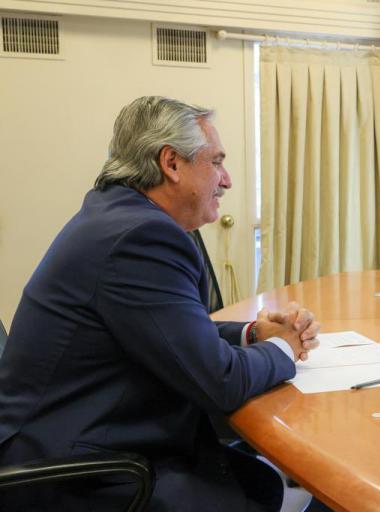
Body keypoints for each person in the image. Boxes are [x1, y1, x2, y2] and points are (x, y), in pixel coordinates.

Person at [0, 97, 321, 511]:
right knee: (303, 491)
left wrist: (255, 334)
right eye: (216, 162)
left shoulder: (117, 215)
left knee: (277, 481)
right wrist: (285, 348)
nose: (226, 181)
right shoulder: (141, 237)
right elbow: (219, 382)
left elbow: (167, 331)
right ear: (171, 163)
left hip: (89, 438)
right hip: (80, 472)